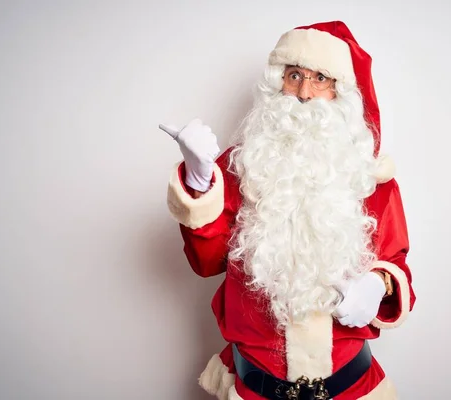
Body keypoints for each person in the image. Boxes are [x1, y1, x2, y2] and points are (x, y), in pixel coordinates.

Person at [160, 21, 416, 400]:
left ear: (341, 93)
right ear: (276, 82)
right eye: (294, 75)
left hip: (351, 388)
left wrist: (378, 284)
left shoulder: (368, 177)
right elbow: (206, 262)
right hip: (257, 389)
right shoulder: (242, 166)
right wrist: (200, 183)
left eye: (320, 79)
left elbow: (396, 260)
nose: (303, 93)